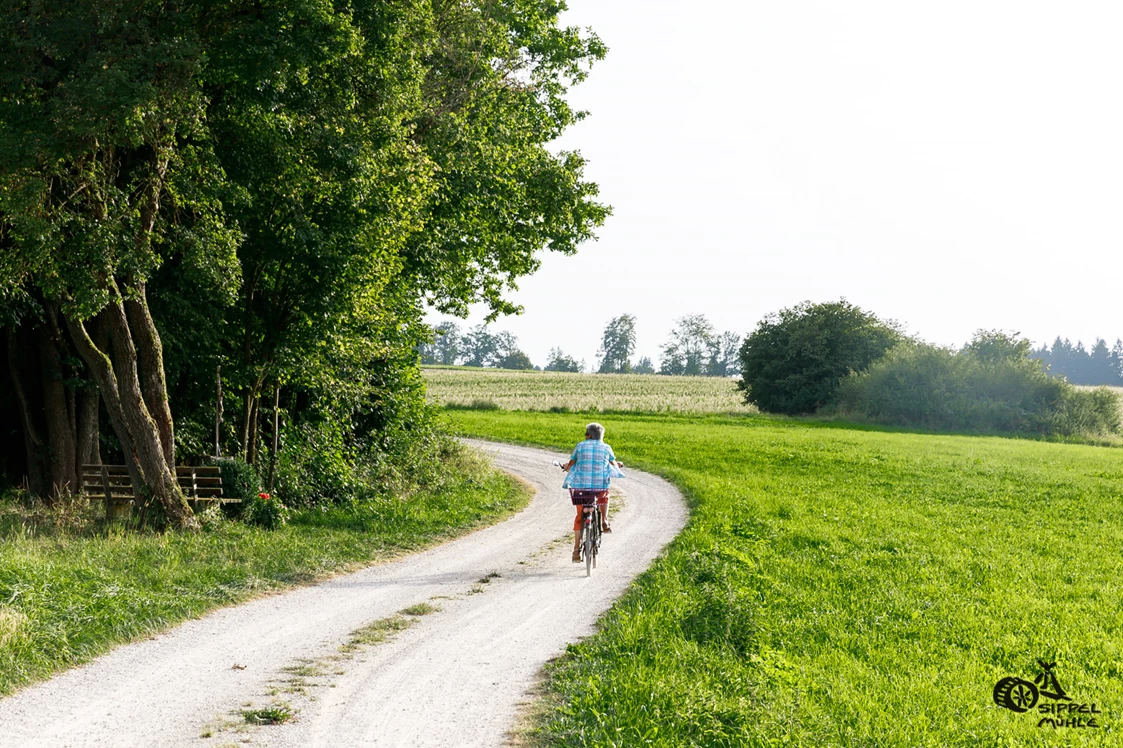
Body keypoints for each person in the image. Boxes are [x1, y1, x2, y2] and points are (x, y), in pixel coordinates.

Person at [560, 422, 622, 563]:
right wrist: (619, 465)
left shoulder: (580, 446)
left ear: (588, 435)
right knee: (604, 495)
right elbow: (613, 464)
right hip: (599, 487)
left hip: (581, 489)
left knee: (580, 516)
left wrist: (566, 467)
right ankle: (604, 520)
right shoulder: (606, 448)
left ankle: (576, 550)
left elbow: (572, 463)